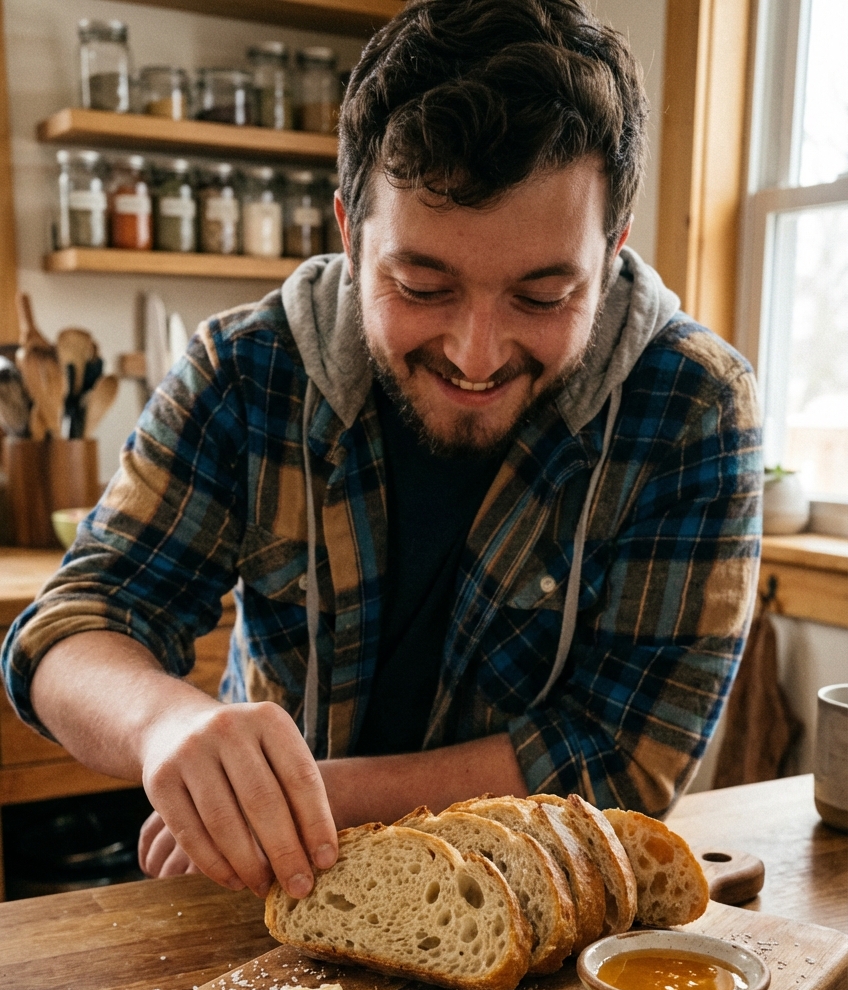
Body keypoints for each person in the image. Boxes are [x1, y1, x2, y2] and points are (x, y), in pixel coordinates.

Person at [1, 0, 761, 907]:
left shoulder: (693, 407)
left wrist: (300, 799)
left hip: (533, 918)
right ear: (349, 236)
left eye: (543, 295)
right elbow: (67, 630)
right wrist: (165, 722)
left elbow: (625, 759)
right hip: (270, 907)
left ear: (614, 250)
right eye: (422, 285)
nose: (477, 355)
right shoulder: (247, 370)